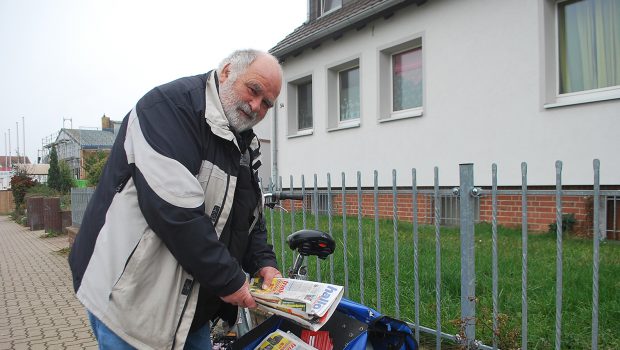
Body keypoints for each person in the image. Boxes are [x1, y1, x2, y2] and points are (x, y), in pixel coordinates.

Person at [68, 49, 284, 349]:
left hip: (189, 314)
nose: (256, 106)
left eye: (267, 104)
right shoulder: (167, 109)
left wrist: (264, 263)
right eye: (254, 90)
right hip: (130, 306)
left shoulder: (243, 145)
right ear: (226, 72)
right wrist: (230, 280)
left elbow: (248, 217)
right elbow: (177, 212)